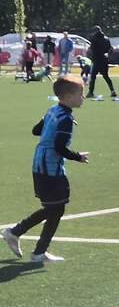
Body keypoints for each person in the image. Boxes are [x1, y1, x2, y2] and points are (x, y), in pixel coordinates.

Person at [3, 76, 89, 264]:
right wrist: (78, 156)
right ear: (68, 96)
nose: (83, 97)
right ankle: (37, 251)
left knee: (53, 208)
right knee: (56, 209)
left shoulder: (53, 110)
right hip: (50, 168)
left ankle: (15, 233)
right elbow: (59, 148)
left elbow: (36, 130)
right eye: (80, 94)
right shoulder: (65, 119)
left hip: (39, 164)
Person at [86, 27, 116, 98]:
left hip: (96, 60)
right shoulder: (106, 39)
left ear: (95, 31)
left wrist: (91, 56)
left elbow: (92, 49)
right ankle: (113, 91)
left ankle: (91, 92)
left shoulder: (94, 39)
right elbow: (109, 49)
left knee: (93, 77)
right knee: (106, 76)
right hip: (104, 59)